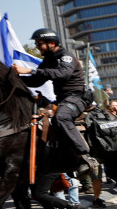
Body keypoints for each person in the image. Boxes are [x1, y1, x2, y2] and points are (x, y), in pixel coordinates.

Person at [11, 28, 96, 175]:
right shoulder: (48, 60)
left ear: (51, 43)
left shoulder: (66, 57)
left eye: (39, 44)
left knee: (61, 117)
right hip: (61, 99)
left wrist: (29, 70)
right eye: (36, 44)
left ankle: (85, 157)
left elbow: (63, 74)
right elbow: (37, 80)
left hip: (76, 98)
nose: (37, 47)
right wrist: (14, 78)